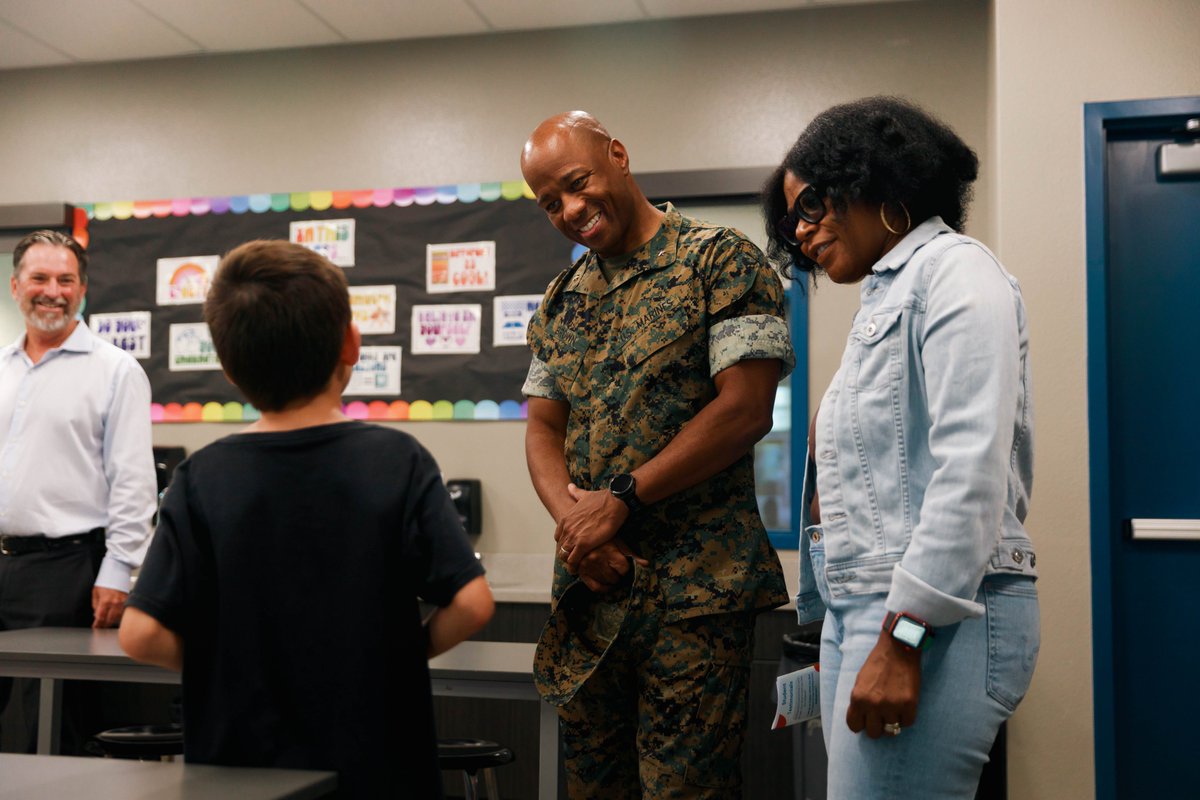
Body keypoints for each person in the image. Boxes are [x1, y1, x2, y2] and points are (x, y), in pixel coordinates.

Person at [119, 240, 494, 798]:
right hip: (379, 766)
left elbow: (140, 633)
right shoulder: (398, 461)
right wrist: (391, 656)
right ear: (351, 343)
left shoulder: (201, 477)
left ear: (226, 366)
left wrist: (232, 671)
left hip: (240, 772)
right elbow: (471, 604)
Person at [763, 96, 1040, 798]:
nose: (800, 233)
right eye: (791, 219)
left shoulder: (956, 273)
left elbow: (969, 475)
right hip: (876, 611)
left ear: (878, 183)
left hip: (932, 618)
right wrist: (836, 626)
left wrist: (900, 640)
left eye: (813, 205)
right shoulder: (886, 298)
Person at [520, 110, 795, 798]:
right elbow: (541, 431)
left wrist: (620, 500)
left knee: (686, 792)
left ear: (617, 154)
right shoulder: (561, 301)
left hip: (693, 594)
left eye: (577, 185)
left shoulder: (719, 259)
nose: (570, 210)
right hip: (594, 594)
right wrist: (578, 529)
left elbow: (744, 409)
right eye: (549, 202)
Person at [0, 229, 156, 751]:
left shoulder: (115, 371)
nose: (53, 290)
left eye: (66, 280)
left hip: (63, 572)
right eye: (40, 278)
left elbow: (134, 483)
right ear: (16, 286)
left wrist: (118, 570)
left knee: (43, 726)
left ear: (83, 289)